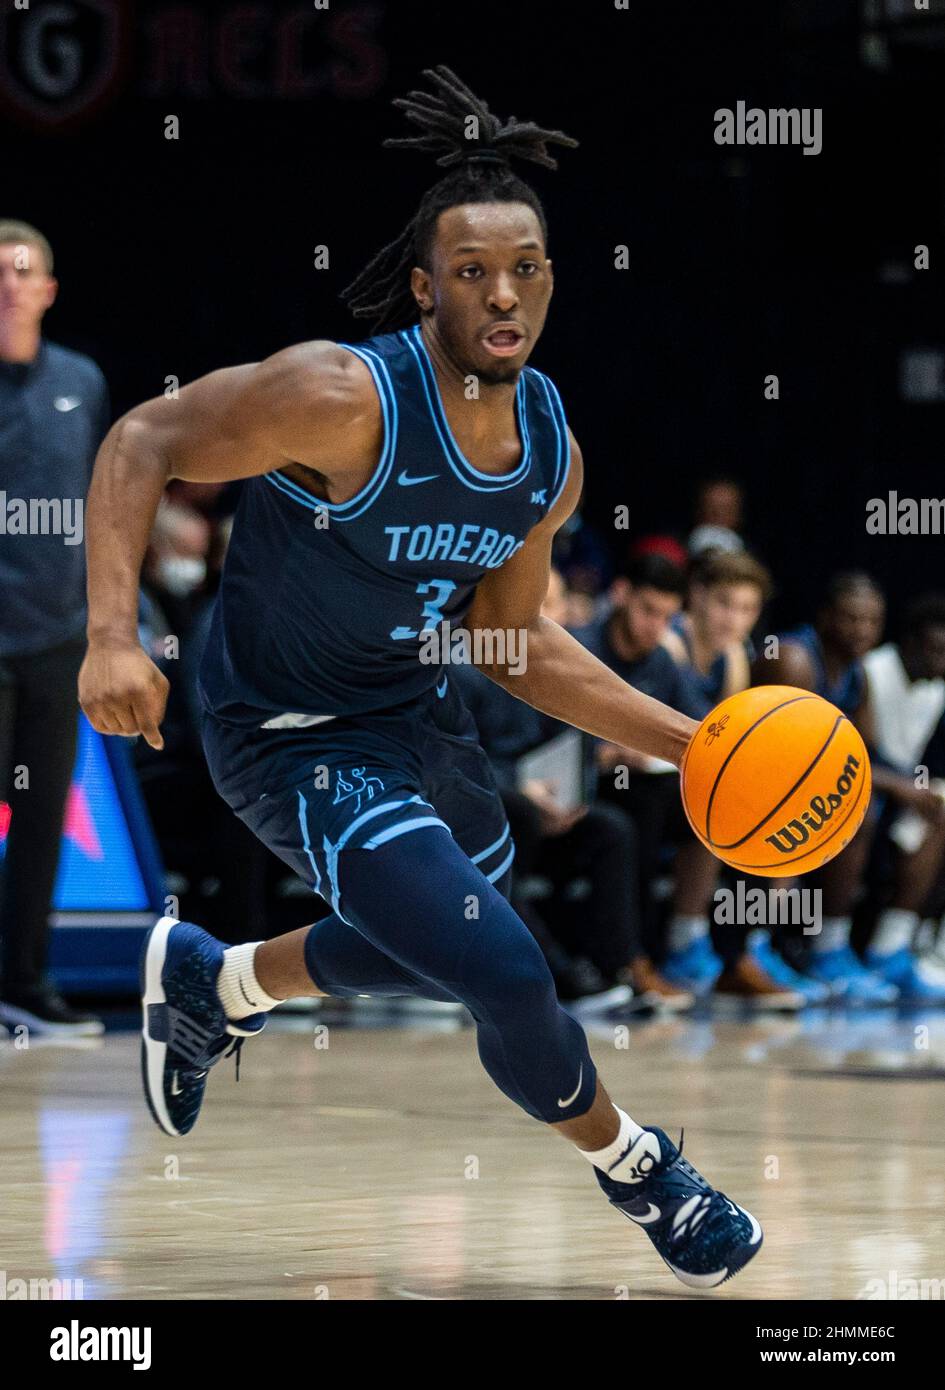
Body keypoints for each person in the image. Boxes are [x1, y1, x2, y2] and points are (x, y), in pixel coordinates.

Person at [79, 68, 762, 1287]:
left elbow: (518, 642)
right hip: (282, 726)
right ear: (422, 285)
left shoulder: (549, 449)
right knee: (498, 962)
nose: (502, 294)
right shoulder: (342, 397)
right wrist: (113, 635)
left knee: (423, 942)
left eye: (527, 269)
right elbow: (144, 438)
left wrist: (696, 742)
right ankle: (643, 1168)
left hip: (412, 716)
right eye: (470, 273)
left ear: (551, 278)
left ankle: (216, 979)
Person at [579, 554, 802, 1008]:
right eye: (724, 604)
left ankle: (734, 954)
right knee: (656, 804)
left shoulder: (735, 656)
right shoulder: (670, 643)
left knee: (756, 808)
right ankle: (646, 954)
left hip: (675, 781)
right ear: (696, 597)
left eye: (747, 609)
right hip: (624, 783)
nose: (734, 619)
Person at [0, 220, 107, 1036]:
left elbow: (104, 505)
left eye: (22, 272)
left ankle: (25, 983)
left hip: (57, 637)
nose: (10, 285)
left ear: (48, 290)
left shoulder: (82, 381)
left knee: (41, 821)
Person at [757, 572, 945, 1003]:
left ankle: (846, 950)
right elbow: (782, 754)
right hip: (761, 784)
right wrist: (897, 787)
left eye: (871, 621)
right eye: (851, 619)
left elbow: (862, 753)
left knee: (878, 807)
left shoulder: (856, 672)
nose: (862, 630)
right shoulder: (794, 660)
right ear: (825, 618)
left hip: (807, 784)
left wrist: (905, 788)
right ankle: (756, 948)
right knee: (838, 808)